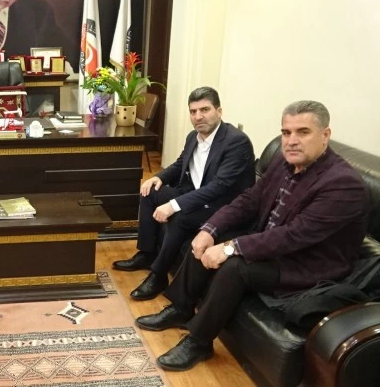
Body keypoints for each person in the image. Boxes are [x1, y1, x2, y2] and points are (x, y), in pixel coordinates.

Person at [135, 100, 369, 371]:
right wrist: (210, 229)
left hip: (305, 263)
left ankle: (199, 342)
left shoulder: (342, 185)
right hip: (269, 241)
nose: (292, 141)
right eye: (286, 132)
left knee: (235, 267)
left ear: (325, 135)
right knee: (204, 240)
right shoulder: (283, 160)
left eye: (303, 132)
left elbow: (293, 236)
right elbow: (249, 200)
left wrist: (231, 248)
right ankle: (180, 309)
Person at [112, 87, 255, 301]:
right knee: (149, 192)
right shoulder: (193, 137)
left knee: (179, 215)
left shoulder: (236, 142)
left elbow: (219, 186)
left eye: (205, 110)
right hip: (195, 194)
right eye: (193, 111)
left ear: (219, 111)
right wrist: (159, 177)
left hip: (221, 206)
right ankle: (147, 254)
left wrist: (174, 204)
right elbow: (181, 164)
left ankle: (158, 275)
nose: (198, 117)